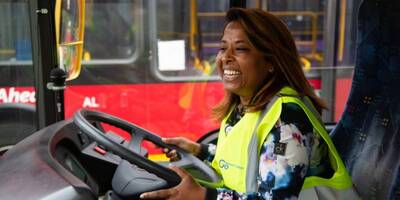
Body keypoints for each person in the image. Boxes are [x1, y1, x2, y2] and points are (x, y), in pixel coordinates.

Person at [140, 8, 359, 200]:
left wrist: (203, 196)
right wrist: (200, 151)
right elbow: (247, 161)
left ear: (271, 61)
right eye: (223, 48)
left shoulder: (287, 121)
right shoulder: (243, 108)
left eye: (241, 49)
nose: (226, 57)